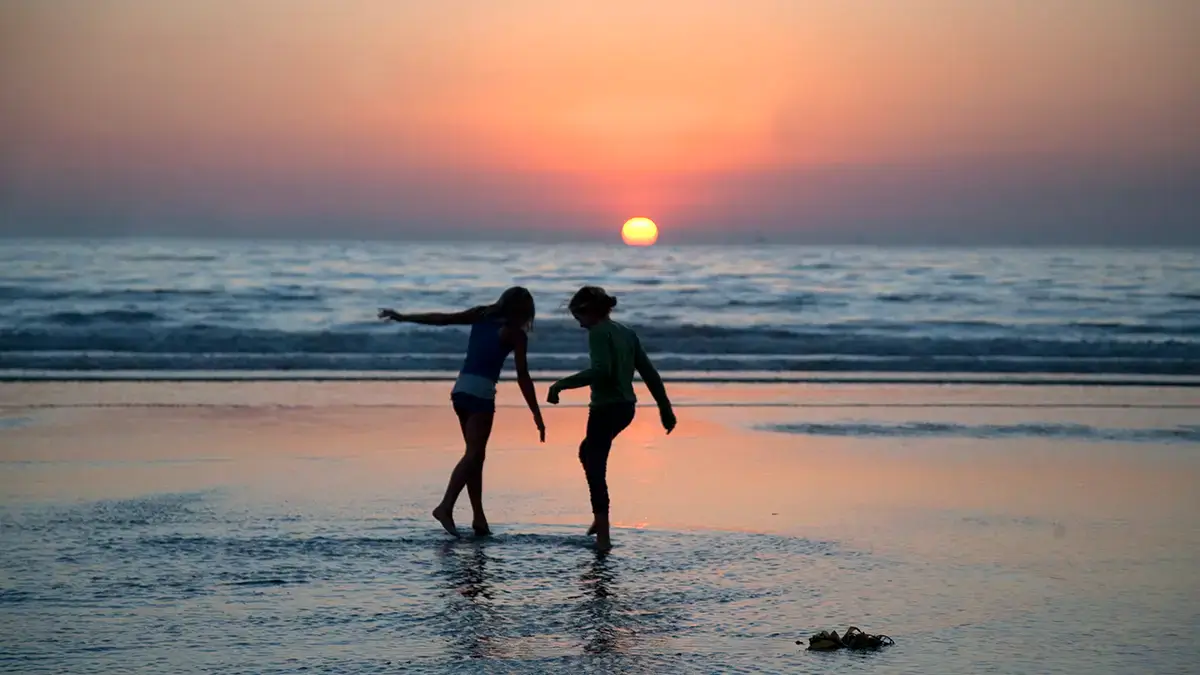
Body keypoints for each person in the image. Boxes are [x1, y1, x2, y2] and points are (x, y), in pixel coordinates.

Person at [379, 287, 544, 537]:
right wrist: (536, 413)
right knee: (474, 455)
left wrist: (403, 317)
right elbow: (523, 376)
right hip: (481, 393)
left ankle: (479, 519)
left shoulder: (481, 314)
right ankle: (445, 506)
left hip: (461, 389)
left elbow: (442, 319)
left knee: (474, 456)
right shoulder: (516, 334)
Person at [546, 286, 676, 551]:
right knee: (587, 452)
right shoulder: (626, 332)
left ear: (589, 312)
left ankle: (603, 536)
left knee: (595, 464)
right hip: (627, 408)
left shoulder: (598, 333)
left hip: (606, 408)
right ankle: (599, 520)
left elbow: (601, 371)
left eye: (579, 319)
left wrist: (560, 385)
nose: (580, 326)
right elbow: (649, 372)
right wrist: (665, 408)